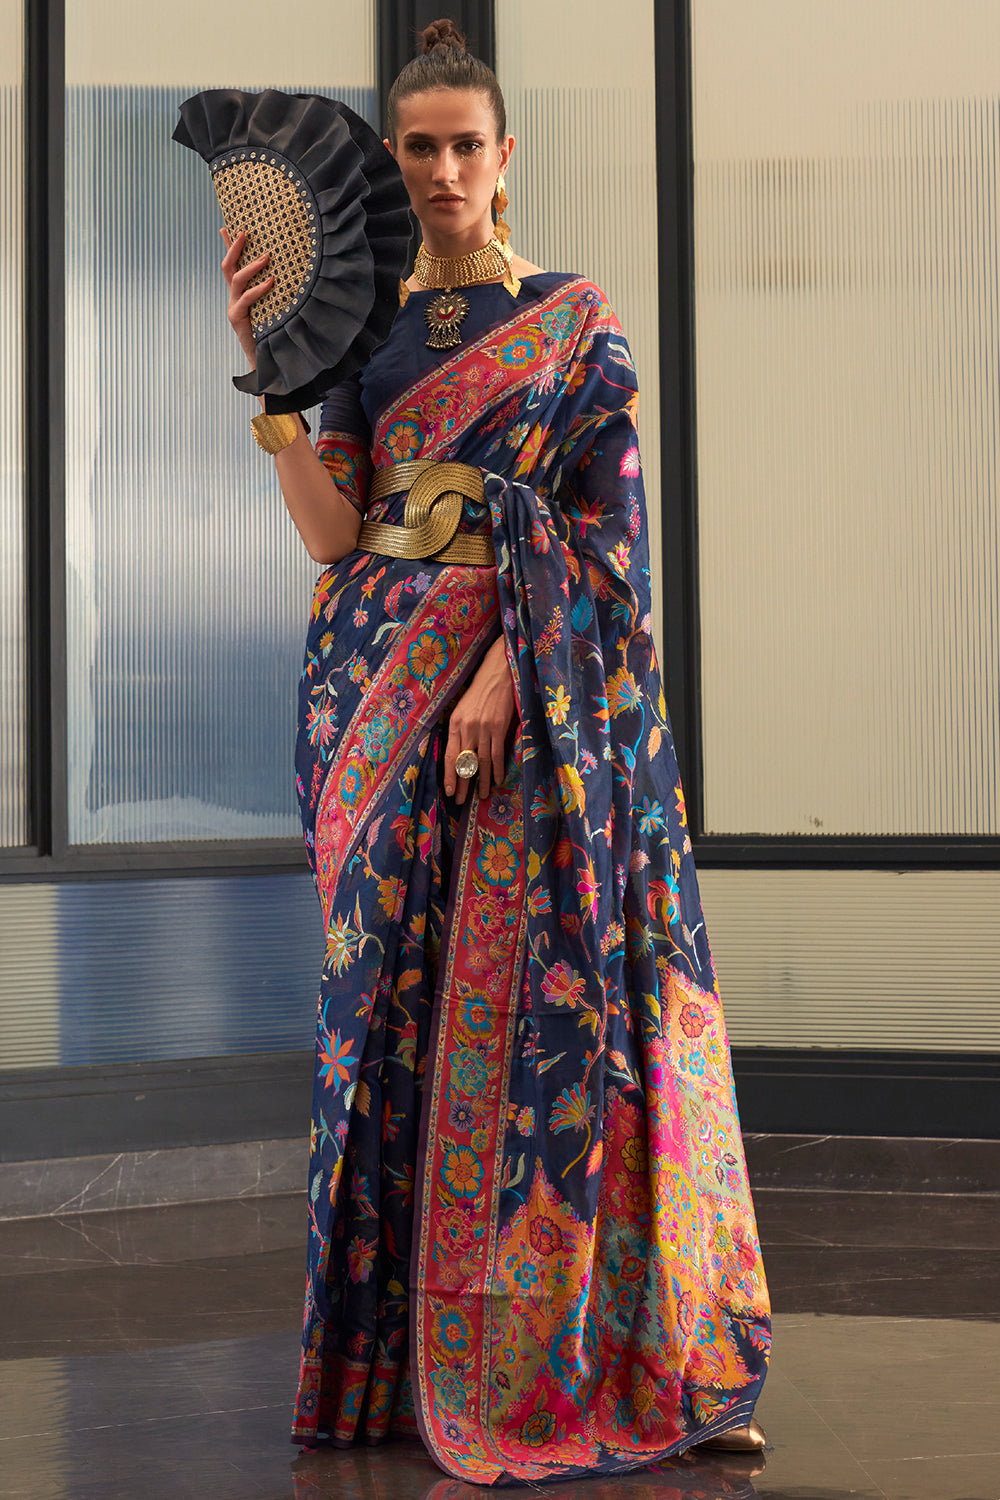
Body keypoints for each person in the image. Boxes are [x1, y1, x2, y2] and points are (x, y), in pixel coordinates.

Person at [221, 19, 770, 1485]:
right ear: (397, 164)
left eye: (468, 143)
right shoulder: (362, 336)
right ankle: (399, 1372)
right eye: (421, 147)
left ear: (506, 154)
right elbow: (338, 537)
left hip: (527, 701)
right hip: (371, 695)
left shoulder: (575, 322)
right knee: (387, 1020)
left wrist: (504, 677)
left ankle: (636, 1356)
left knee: (564, 1013)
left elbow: (608, 543)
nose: (446, 168)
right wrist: (273, 387)